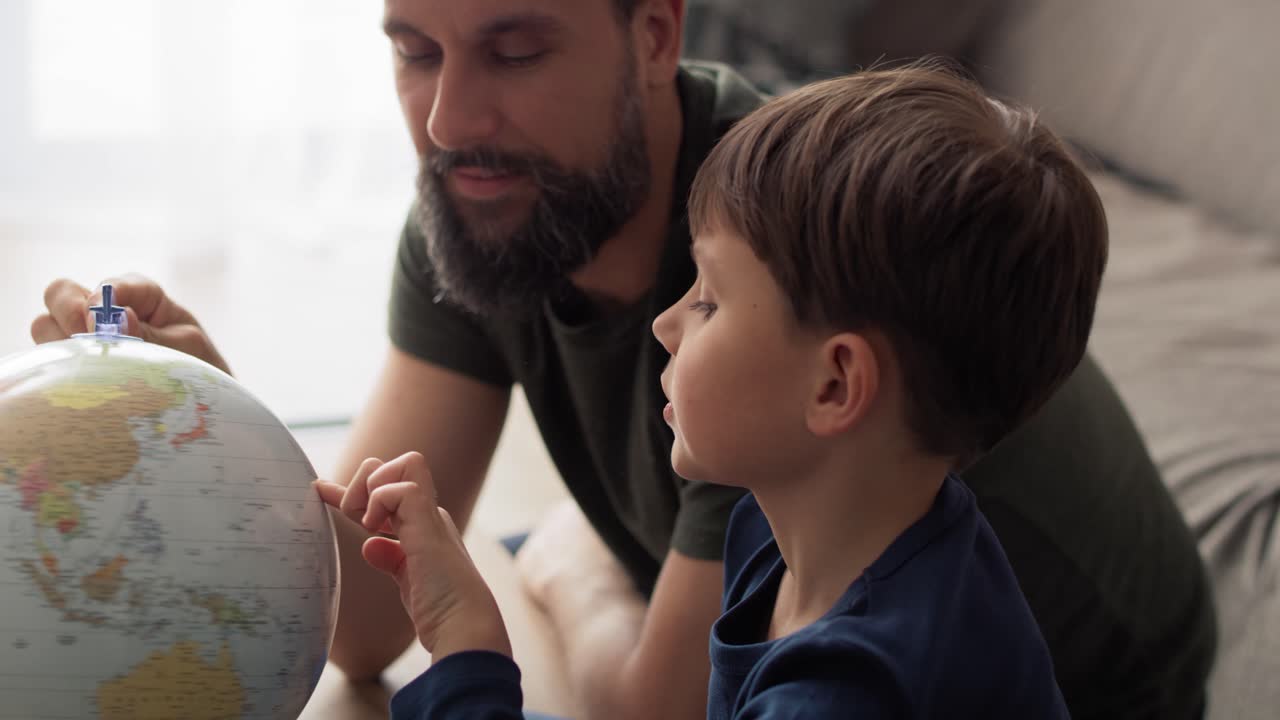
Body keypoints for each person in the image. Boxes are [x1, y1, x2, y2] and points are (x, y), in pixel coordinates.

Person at [31, 1, 1215, 718]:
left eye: (513, 49)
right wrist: (213, 428)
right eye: (414, 52)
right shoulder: (484, 206)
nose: (449, 122)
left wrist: (558, 578)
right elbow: (356, 624)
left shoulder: (785, 264)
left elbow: (667, 712)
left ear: (653, 34)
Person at [317, 64, 1093, 719]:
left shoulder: (846, 692)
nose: (664, 323)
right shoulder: (788, 528)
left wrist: (466, 647)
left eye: (709, 300)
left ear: (834, 385)